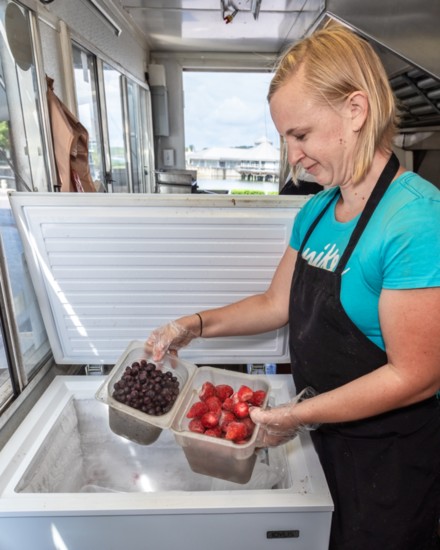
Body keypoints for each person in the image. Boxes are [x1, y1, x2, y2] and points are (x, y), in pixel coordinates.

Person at [145, 22, 440, 550]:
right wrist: (194, 324)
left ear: (355, 110)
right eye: (286, 137)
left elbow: (416, 376)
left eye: (300, 134)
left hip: (389, 459)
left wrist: (293, 416)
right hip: (323, 439)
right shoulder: (318, 209)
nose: (293, 156)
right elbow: (274, 303)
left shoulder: (415, 220)